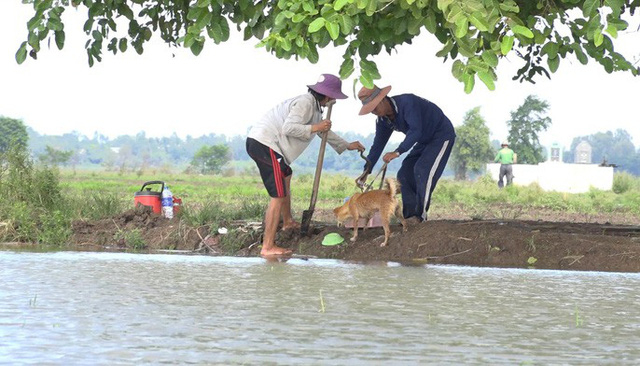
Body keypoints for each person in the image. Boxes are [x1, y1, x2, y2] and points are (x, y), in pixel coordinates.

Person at [246, 74, 365, 257]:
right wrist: (316, 128)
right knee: (277, 195)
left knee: (286, 174)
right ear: (326, 95)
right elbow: (289, 128)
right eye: (333, 97)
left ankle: (287, 222)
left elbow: (324, 132)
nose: (333, 101)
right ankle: (267, 246)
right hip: (265, 143)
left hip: (270, 146)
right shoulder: (305, 103)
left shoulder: (315, 109)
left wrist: (347, 145)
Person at [357, 84, 456, 224]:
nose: (373, 112)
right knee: (404, 174)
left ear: (383, 99)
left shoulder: (408, 103)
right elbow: (378, 146)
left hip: (440, 135)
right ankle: (410, 216)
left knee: (422, 170)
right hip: (423, 141)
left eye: (374, 107)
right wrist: (366, 170)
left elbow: (415, 131)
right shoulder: (383, 120)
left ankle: (420, 216)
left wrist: (397, 152)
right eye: (370, 110)